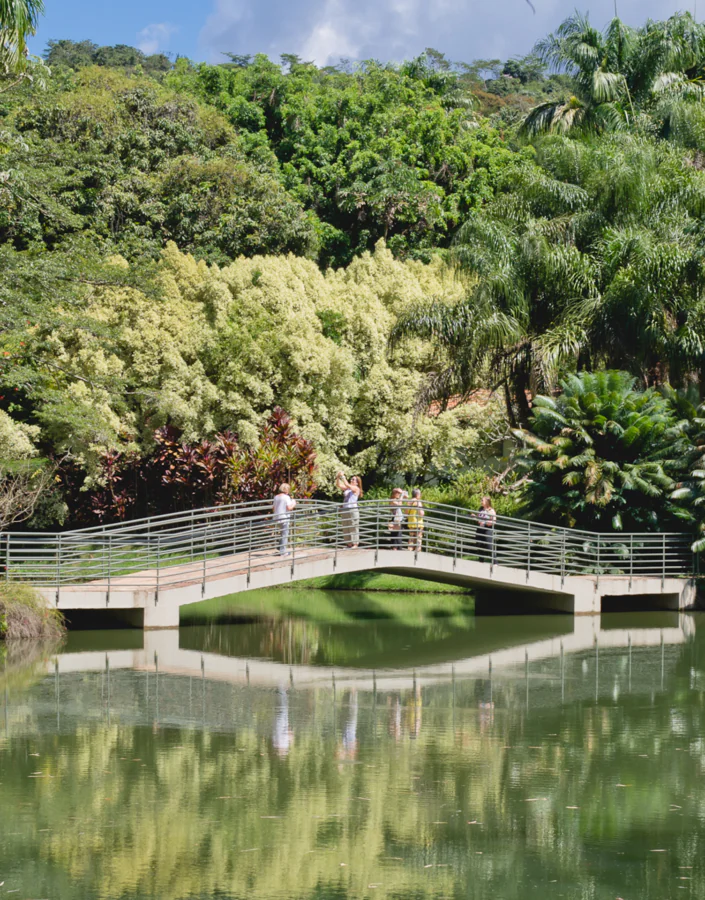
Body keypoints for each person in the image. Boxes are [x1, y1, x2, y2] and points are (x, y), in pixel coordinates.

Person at [336, 472, 362, 548]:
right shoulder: (348, 489)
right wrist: (338, 477)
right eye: (351, 479)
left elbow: (347, 484)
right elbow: (338, 485)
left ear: (357, 483)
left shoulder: (356, 488)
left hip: (352, 510)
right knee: (345, 526)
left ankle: (355, 544)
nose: (351, 480)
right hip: (345, 509)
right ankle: (348, 544)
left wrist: (343, 476)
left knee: (353, 526)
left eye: (353, 479)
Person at [272, 483, 296, 556]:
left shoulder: (276, 497)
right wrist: (294, 503)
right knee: (285, 534)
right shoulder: (286, 497)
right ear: (286, 490)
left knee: (282, 533)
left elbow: (273, 508)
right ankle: (283, 551)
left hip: (277, 517)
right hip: (284, 518)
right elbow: (289, 507)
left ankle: (280, 547)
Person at [475, 496, 497, 561]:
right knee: (479, 544)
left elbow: (494, 521)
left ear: (486, 502)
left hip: (487, 529)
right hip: (480, 528)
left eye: (482, 500)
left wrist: (489, 523)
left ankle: (495, 562)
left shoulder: (491, 510)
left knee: (489, 545)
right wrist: (475, 517)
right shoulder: (480, 509)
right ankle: (481, 560)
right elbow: (478, 518)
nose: (481, 502)